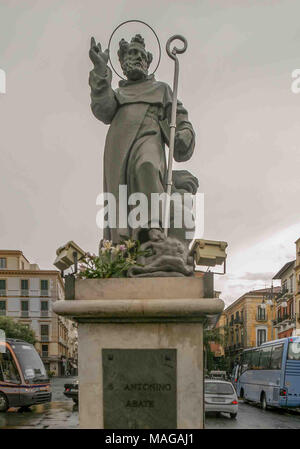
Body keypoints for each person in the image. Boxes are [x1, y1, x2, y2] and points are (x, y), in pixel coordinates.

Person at [89, 34, 196, 245]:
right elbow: (103, 109)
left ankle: (151, 230)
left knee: (146, 165)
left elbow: (180, 118)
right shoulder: (118, 94)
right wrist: (101, 70)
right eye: (131, 53)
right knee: (121, 197)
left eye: (141, 54)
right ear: (122, 62)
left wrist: (184, 133)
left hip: (150, 141)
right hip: (119, 152)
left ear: (148, 61)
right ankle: (126, 244)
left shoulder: (161, 90)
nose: (137, 57)